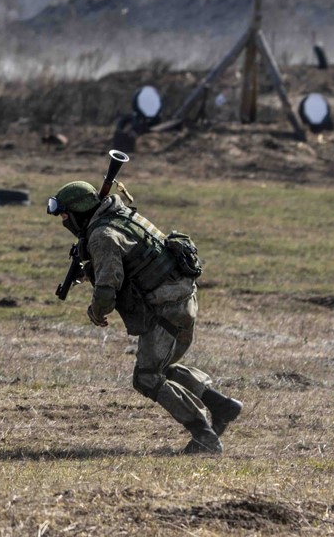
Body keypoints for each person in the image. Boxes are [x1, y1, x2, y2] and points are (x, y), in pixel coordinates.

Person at [46, 180, 243, 454]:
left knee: (147, 377)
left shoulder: (102, 235)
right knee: (161, 367)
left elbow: (108, 287)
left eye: (65, 215)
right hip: (183, 299)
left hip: (164, 309)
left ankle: (204, 435)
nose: (63, 222)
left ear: (79, 212)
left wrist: (97, 311)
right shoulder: (122, 215)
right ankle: (222, 405)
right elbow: (133, 258)